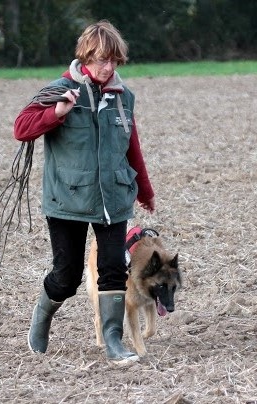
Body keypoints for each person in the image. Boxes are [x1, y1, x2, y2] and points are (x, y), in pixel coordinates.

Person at [14, 20, 155, 364]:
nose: (108, 68)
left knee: (113, 269)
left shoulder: (123, 97)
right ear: (87, 55)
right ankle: (41, 319)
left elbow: (131, 145)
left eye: (114, 61)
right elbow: (21, 128)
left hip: (114, 198)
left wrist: (144, 191)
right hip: (68, 199)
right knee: (67, 277)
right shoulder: (60, 89)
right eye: (102, 60)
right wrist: (56, 113)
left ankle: (112, 339)